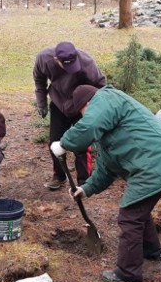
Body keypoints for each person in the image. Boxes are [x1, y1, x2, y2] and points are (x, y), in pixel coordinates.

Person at [50, 85, 161, 282]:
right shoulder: (107, 131)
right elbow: (106, 168)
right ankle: (151, 251)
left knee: (129, 216)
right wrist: (86, 188)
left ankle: (128, 274)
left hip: (156, 162)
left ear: (88, 103)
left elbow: (88, 126)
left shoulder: (106, 98)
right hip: (155, 163)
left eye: (82, 112)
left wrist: (64, 143)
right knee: (139, 209)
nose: (84, 117)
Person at [33, 41, 107, 190]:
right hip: (59, 103)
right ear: (56, 60)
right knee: (54, 142)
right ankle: (59, 176)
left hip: (82, 105)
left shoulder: (86, 61)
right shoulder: (44, 59)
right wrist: (41, 104)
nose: (70, 69)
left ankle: (85, 181)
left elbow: (102, 85)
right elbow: (39, 81)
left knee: (82, 143)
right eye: (65, 65)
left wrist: (97, 108)